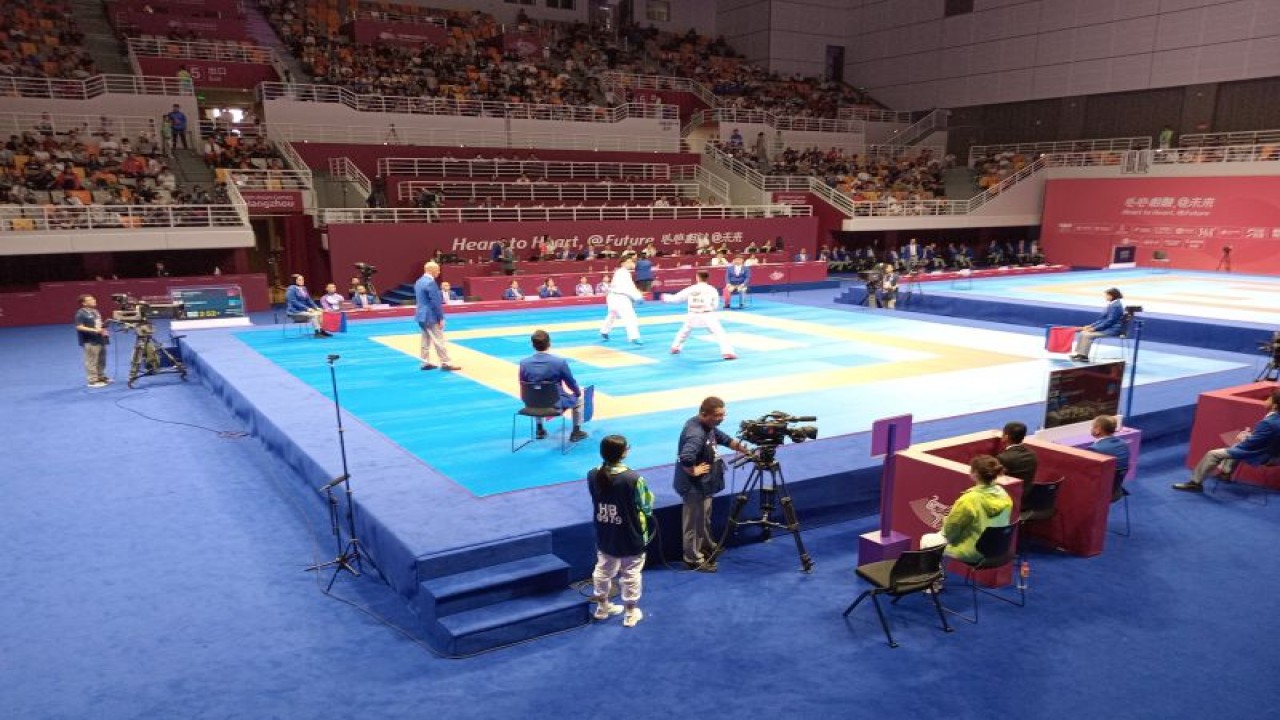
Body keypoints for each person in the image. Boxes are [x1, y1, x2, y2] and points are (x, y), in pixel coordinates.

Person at [674, 396, 751, 572]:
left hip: (704, 485)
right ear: (704, 414)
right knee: (694, 524)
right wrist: (692, 470)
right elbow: (686, 457)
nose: (722, 418)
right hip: (694, 487)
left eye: (723, 414)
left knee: (703, 519)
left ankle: (706, 546)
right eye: (718, 415)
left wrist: (742, 449)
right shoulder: (695, 433)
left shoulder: (707, 425)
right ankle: (692, 559)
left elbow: (723, 438)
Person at [587, 434, 653, 627]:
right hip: (630, 534)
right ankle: (630, 613)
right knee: (630, 574)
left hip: (605, 531)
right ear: (624, 453)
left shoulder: (592, 474)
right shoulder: (633, 478)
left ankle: (602, 608)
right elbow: (647, 506)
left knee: (603, 570)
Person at [1173, 389, 1280, 493]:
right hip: (1275, 454)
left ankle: (1195, 483)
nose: (1266, 400)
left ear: (1274, 405)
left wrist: (1244, 438)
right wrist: (1248, 438)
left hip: (1264, 455)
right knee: (1235, 444)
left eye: (1268, 399)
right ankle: (1225, 473)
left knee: (1213, 454)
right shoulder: (1274, 420)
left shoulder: (1268, 423)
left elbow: (1250, 445)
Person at [920, 455, 1013, 563]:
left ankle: (933, 573)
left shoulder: (968, 500)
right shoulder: (1004, 495)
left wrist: (946, 519)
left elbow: (949, 532)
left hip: (973, 552)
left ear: (975, 474)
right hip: (998, 547)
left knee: (927, 539)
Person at [519, 329, 588, 442]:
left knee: (536, 394)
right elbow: (570, 382)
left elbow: (523, 383)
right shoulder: (559, 362)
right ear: (549, 343)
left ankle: (539, 429)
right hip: (555, 403)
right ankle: (576, 432)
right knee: (579, 400)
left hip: (531, 403)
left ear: (532, 345)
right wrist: (577, 393)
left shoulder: (524, 363)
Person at [662, 270, 736, 360]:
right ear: (707, 278)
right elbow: (715, 305)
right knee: (719, 333)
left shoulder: (691, 289)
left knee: (684, 331)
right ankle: (727, 352)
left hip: (692, 313)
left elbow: (677, 298)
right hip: (707, 314)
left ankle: (675, 347)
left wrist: (665, 297)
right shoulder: (712, 289)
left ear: (697, 278)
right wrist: (709, 307)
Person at [413, 261, 460, 371]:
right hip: (430, 316)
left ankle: (425, 362)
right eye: (438, 270)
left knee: (425, 339)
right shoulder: (430, 283)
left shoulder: (419, 281)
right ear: (432, 270)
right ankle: (445, 362)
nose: (439, 272)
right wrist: (441, 317)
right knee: (438, 339)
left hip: (421, 314)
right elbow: (436, 302)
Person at [599, 254, 644, 344]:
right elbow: (629, 287)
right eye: (629, 262)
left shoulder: (620, 272)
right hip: (620, 298)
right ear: (623, 263)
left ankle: (604, 331)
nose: (631, 263)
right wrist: (638, 297)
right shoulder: (624, 273)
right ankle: (634, 337)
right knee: (630, 317)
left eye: (631, 261)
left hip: (613, 297)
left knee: (612, 314)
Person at [1071, 288, 1125, 361]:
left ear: (1111, 296)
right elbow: (1102, 319)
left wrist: (1095, 329)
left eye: (1106, 295)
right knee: (1083, 333)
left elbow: (1110, 321)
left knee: (1087, 335)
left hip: (1112, 330)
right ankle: (1080, 354)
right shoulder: (1113, 304)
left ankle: (1084, 356)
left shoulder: (1116, 306)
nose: (1105, 297)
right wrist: (1091, 326)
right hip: (1107, 328)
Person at [1089, 415, 1131, 501]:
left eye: (1093, 426)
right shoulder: (1124, 444)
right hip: (1116, 491)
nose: (1091, 429)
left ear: (1098, 430)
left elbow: (1088, 474)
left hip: (1100, 494)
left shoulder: (1095, 449)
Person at [74, 294, 110, 387]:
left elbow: (98, 324)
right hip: (90, 340)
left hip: (100, 338)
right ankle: (92, 380)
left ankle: (101, 376)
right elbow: (79, 327)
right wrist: (94, 330)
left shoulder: (95, 311)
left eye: (93, 299)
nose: (94, 300)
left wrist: (104, 328)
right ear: (84, 303)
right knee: (92, 360)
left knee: (101, 359)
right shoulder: (80, 313)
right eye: (90, 300)